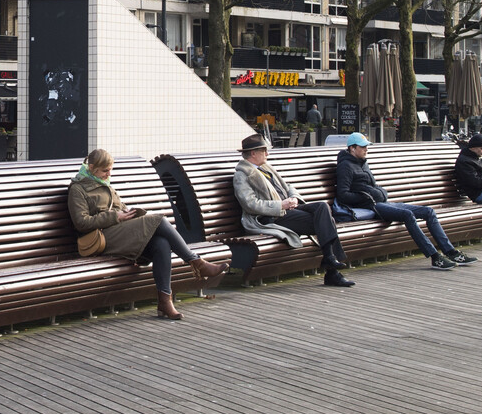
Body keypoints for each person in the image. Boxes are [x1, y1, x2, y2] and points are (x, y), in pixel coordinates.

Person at [67, 148, 228, 320]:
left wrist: (128, 212)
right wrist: (116, 216)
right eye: (105, 171)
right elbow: (81, 223)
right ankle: (196, 262)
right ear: (92, 168)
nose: (108, 174)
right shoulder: (78, 189)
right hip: (101, 239)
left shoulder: (104, 184)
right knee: (159, 220)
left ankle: (165, 302)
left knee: (161, 244)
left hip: (117, 232)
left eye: (110, 170)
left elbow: (118, 207)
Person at [335, 133, 477, 269]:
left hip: (383, 202)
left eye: (367, 146)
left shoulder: (362, 163)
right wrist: (366, 196)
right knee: (407, 215)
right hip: (371, 207)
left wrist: (381, 192)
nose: (366, 149)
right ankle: (435, 257)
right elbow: (343, 195)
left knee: (429, 211)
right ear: (352, 148)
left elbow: (373, 186)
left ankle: (451, 252)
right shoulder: (345, 166)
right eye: (362, 146)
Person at [232, 134, 353, 288]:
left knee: (322, 207)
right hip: (273, 217)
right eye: (264, 150)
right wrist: (280, 205)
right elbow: (249, 204)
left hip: (288, 209)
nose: (268, 154)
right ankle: (332, 270)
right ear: (253, 153)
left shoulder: (266, 168)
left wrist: (294, 197)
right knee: (326, 222)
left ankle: (330, 260)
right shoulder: (242, 175)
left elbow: (288, 186)